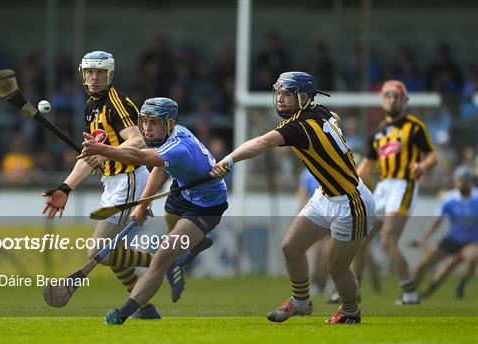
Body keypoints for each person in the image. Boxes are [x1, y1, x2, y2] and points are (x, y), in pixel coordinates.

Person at [211, 71, 375, 324]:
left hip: (351, 202)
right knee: (291, 247)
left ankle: (350, 310)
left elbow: (263, 141)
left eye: (287, 94)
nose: (280, 99)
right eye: (278, 93)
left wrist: (228, 160)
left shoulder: (299, 126)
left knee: (337, 268)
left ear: (304, 97)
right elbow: (335, 116)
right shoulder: (319, 110)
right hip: (325, 195)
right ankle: (301, 302)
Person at [77, 97, 228, 325]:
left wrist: (102, 149)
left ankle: (124, 313)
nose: (147, 129)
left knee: (162, 257)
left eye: (154, 123)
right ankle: (191, 247)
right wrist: (142, 205)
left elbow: (138, 157)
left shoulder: (179, 149)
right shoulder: (170, 135)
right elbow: (159, 168)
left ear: (170, 124)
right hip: (182, 191)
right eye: (144, 122)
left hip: (206, 205)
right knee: (171, 240)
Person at [42, 51, 163, 319]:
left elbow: (137, 141)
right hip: (112, 183)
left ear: (110, 74)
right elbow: (90, 158)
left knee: (99, 251)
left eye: (100, 72)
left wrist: (106, 151)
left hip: (129, 179)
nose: (94, 77)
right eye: (89, 72)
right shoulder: (90, 107)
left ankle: (162, 261)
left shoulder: (115, 103)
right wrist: (65, 188)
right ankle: (144, 307)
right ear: (83, 74)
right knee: (109, 252)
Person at [352, 80, 437, 305]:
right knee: (360, 238)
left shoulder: (414, 127)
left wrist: (423, 167)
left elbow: (432, 155)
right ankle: (352, 290)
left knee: (388, 240)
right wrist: (351, 182)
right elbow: (368, 165)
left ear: (404, 100)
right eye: (388, 95)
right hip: (383, 186)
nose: (392, 99)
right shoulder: (378, 132)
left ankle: (409, 292)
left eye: (397, 96)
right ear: (382, 99)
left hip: (404, 184)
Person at [411, 166, 477, 299]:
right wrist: (423, 238)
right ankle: (410, 292)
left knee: (472, 257)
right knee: (424, 263)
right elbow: (437, 221)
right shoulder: (449, 199)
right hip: (452, 239)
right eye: (459, 180)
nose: (462, 183)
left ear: (470, 182)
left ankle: (461, 283)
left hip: (472, 241)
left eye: (464, 181)